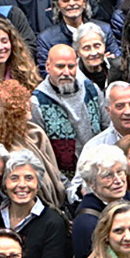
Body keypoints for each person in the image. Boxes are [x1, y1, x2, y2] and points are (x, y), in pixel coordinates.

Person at [0, 79, 69, 212]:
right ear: (12, 115)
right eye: (23, 105)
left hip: (60, 200)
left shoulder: (34, 132)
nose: (28, 106)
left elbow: (55, 171)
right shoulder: (3, 152)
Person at [0, 149, 70, 258]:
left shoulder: (53, 222)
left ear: (38, 185)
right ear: (5, 185)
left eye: (29, 178)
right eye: (14, 178)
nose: (22, 185)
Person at [31, 44, 107, 176]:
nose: (66, 72)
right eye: (60, 66)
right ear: (48, 67)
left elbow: (107, 128)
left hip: (100, 169)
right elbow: (42, 155)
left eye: (71, 66)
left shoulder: (92, 90)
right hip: (63, 177)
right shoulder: (38, 102)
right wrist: (66, 187)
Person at [36, 0, 114, 70]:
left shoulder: (104, 29)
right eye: (65, 0)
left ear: (84, 3)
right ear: (57, 5)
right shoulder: (46, 39)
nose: (72, 3)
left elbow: (116, 61)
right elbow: (46, 72)